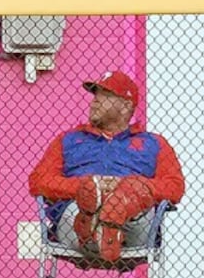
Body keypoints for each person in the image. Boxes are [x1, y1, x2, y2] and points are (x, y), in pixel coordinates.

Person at [28, 70, 184, 263]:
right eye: (95, 96)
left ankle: (99, 229)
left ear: (126, 106)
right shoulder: (69, 140)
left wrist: (131, 188)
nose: (95, 101)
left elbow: (175, 187)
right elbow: (38, 181)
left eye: (105, 96)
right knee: (83, 203)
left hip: (133, 224)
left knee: (133, 196)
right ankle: (92, 223)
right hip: (76, 215)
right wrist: (86, 186)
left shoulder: (154, 143)